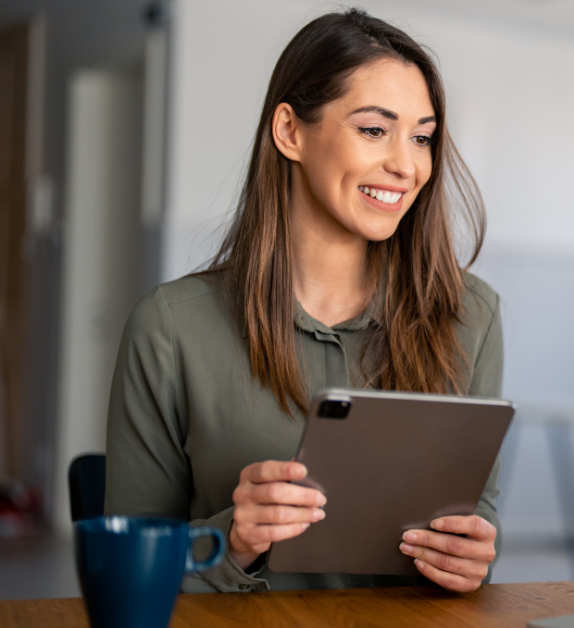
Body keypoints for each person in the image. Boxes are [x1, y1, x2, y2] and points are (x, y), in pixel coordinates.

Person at [104, 9, 503, 594]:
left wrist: (472, 553)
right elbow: (125, 570)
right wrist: (234, 539)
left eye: (422, 137)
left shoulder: (472, 315)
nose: (407, 165)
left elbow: (478, 512)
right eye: (375, 130)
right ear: (290, 131)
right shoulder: (169, 328)